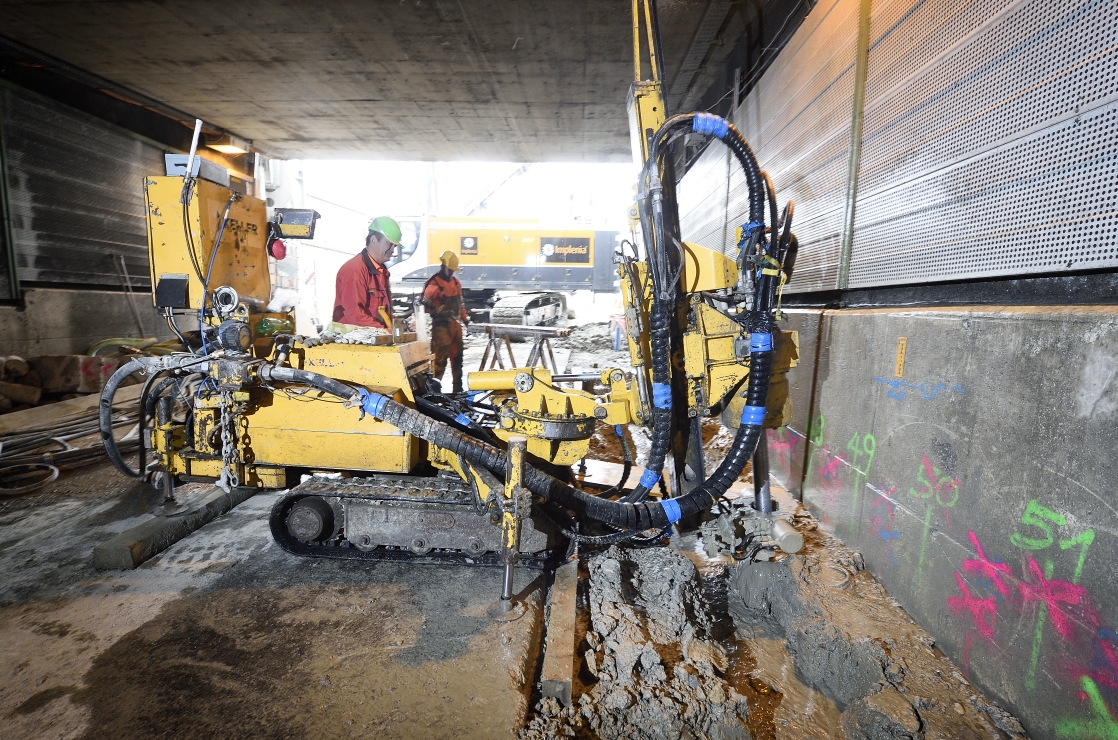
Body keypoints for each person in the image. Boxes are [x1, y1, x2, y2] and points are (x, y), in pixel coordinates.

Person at [330, 216, 403, 334]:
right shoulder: (355, 270)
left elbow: (381, 313)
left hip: (372, 339)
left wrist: (401, 326)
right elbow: (355, 316)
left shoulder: (381, 271)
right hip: (353, 344)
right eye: (389, 244)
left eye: (395, 246)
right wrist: (387, 332)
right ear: (373, 239)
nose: (393, 250)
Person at [421, 250, 469, 393]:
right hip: (441, 330)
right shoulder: (433, 284)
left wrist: (465, 319)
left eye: (453, 270)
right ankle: (434, 394)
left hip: (456, 328)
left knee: (457, 362)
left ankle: (458, 392)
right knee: (438, 364)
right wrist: (438, 308)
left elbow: (460, 304)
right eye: (450, 269)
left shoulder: (456, 283)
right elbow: (422, 305)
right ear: (443, 266)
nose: (451, 273)